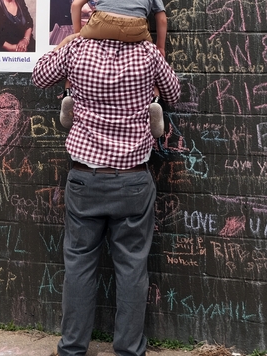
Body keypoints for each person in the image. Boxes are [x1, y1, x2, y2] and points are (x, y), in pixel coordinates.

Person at [32, 34, 180, 356]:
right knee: (131, 266)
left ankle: (72, 349)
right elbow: (173, 92)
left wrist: (66, 43)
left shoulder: (78, 47)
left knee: (79, 264)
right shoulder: (147, 52)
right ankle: (128, 350)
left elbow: (40, 75)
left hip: (85, 179)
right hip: (132, 181)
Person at [64, 0, 168, 137]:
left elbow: (77, 4)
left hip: (103, 23)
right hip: (136, 29)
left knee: (68, 47)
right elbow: (161, 18)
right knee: (153, 60)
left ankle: (69, 94)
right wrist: (160, 47)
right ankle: (155, 101)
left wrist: (79, 35)